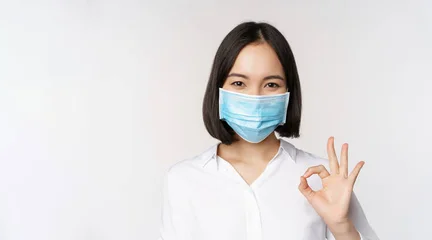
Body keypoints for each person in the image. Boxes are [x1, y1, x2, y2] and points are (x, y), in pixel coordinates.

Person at [158, 22, 378, 240]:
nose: (255, 96)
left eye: (271, 84)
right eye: (239, 83)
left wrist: (341, 227)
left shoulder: (323, 178)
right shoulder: (183, 180)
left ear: (288, 92)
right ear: (219, 89)